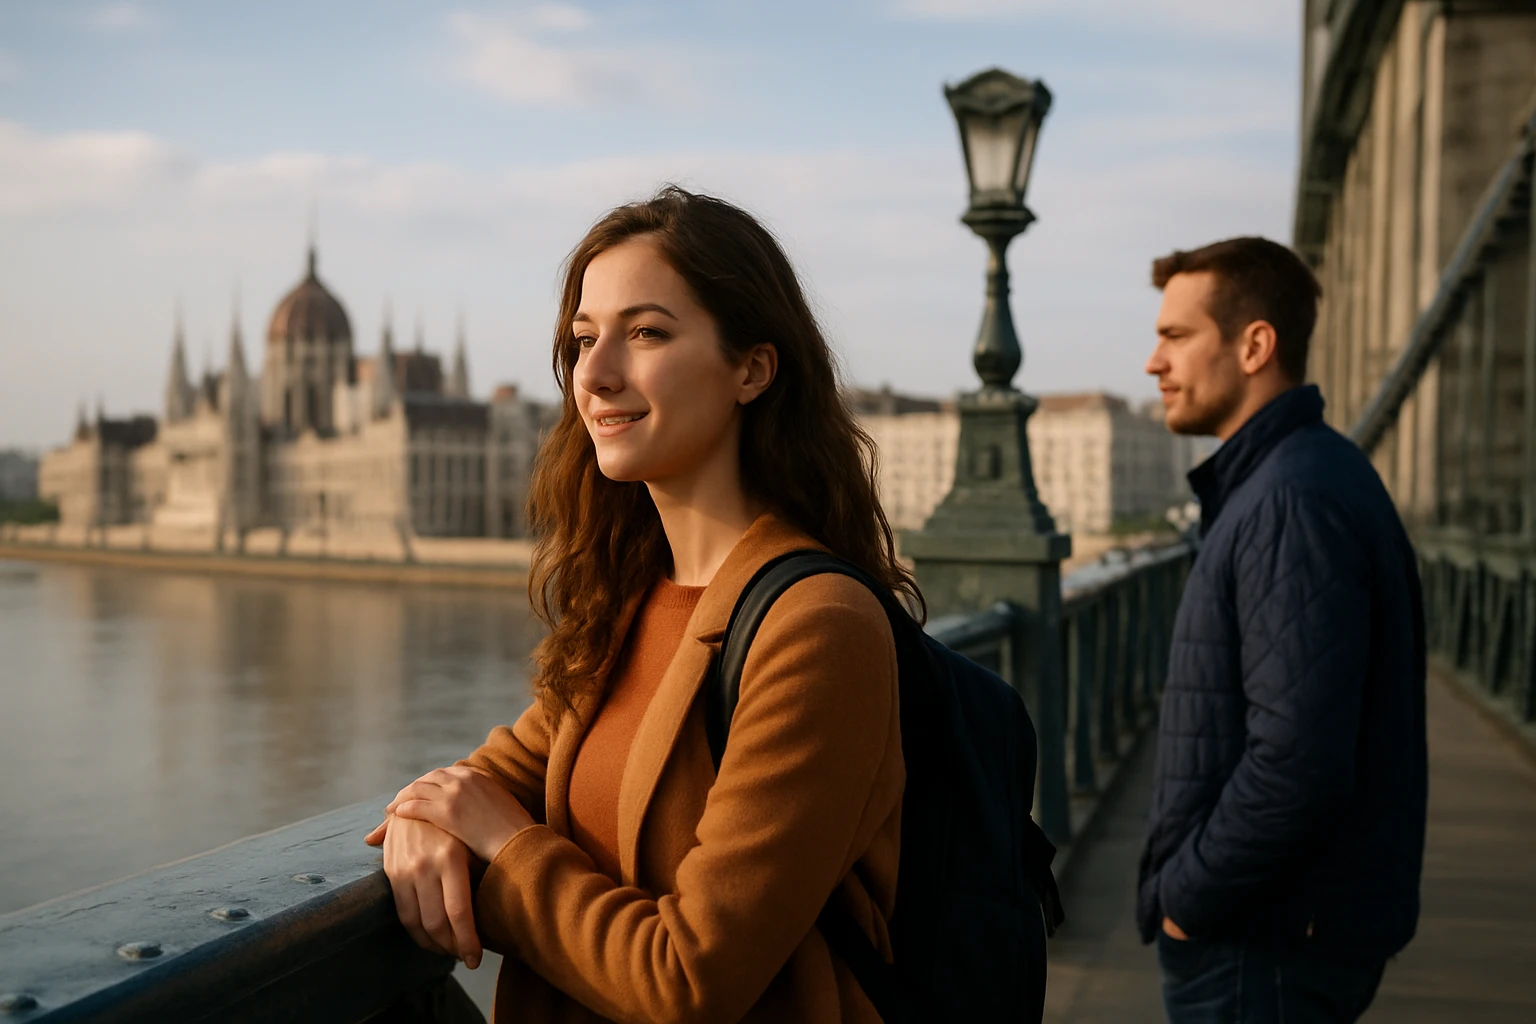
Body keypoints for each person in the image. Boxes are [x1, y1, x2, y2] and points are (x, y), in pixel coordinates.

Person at [365, 186, 916, 1023]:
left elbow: (687, 981)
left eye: (647, 332)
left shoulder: (817, 627)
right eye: (584, 339)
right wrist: (423, 812)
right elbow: (493, 775)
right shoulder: (632, 602)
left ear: (752, 369)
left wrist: (502, 852)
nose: (595, 373)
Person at [1137, 236, 1427, 1023]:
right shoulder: (1298, 476)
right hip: (1278, 928)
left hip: (1258, 942)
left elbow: (1297, 763)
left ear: (1255, 344)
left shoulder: (1288, 501)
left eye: (1175, 336)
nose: (1152, 364)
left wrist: (1186, 898)